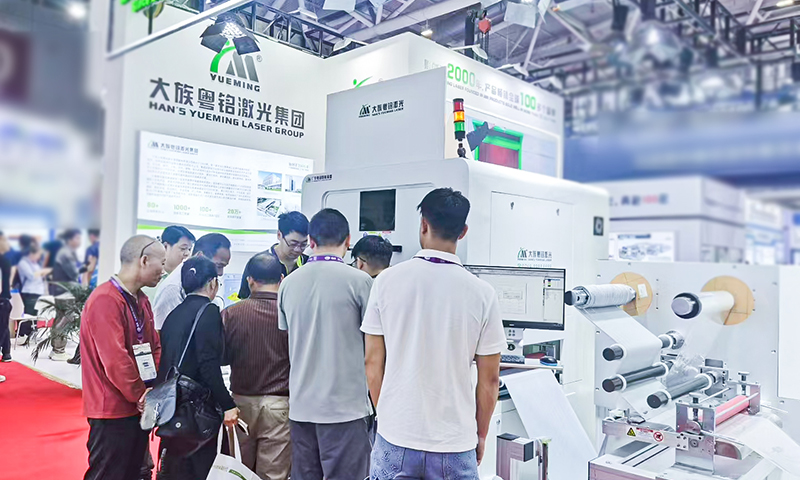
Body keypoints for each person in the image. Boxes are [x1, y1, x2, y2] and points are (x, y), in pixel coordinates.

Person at [362, 188, 506, 479]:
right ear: (463, 231)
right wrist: (480, 435)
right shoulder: (482, 293)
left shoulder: (386, 282)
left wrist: (387, 416)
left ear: (423, 224)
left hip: (395, 436)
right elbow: (490, 380)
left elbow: (372, 364)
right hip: (455, 441)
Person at [278, 208, 373, 480]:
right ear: (348, 240)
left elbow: (287, 336)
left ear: (310, 241)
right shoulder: (360, 282)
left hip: (302, 408)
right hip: (346, 410)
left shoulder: (288, 284)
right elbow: (374, 346)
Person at [80, 235, 166, 480]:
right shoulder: (106, 299)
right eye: (161, 263)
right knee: (107, 474)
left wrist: (149, 391)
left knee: (132, 473)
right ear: (144, 260)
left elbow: (155, 347)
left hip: (138, 405)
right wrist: (141, 395)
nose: (163, 271)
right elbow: (115, 360)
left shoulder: (142, 300)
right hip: (111, 409)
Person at [157, 256, 239, 480]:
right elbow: (208, 363)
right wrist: (227, 404)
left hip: (173, 406)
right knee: (202, 468)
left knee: (177, 468)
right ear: (213, 283)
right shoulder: (209, 311)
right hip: (197, 409)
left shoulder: (174, 314)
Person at [223, 254, 291, 480]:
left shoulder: (231, 314)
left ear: (249, 280)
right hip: (280, 405)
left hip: (239, 404)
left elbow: (221, 358)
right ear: (281, 279)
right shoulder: (291, 314)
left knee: (238, 471)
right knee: (274, 474)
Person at [153, 233, 230, 330]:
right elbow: (162, 332)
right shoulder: (173, 287)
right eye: (219, 266)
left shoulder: (209, 278)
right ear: (200, 256)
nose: (221, 273)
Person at [239, 212, 308, 300]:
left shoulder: (308, 264)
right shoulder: (258, 263)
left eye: (303, 244)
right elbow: (244, 300)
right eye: (293, 244)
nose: (298, 249)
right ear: (279, 235)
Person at [142, 225, 196, 302]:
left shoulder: (188, 278)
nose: (187, 253)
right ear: (165, 246)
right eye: (183, 248)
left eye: (189, 249)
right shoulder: (150, 277)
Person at [16, 245, 52, 343]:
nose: (39, 257)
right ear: (32, 254)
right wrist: (43, 271)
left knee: (35, 315)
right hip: (29, 292)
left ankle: (32, 334)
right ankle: (23, 335)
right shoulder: (23, 263)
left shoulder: (35, 263)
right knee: (29, 315)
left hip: (38, 291)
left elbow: (39, 276)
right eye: (38, 255)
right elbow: (31, 276)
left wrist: (44, 273)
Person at [51, 229, 82, 295]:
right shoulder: (66, 253)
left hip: (65, 288)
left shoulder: (71, 252)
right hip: (62, 290)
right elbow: (74, 274)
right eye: (77, 238)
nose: (80, 241)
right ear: (69, 240)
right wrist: (86, 269)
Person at [0, 232, 13, 363]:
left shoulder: (5, 259)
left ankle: (7, 352)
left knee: (4, 327)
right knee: (2, 328)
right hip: (2, 300)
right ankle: (6, 352)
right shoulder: (3, 260)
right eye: (4, 240)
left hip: (4, 299)